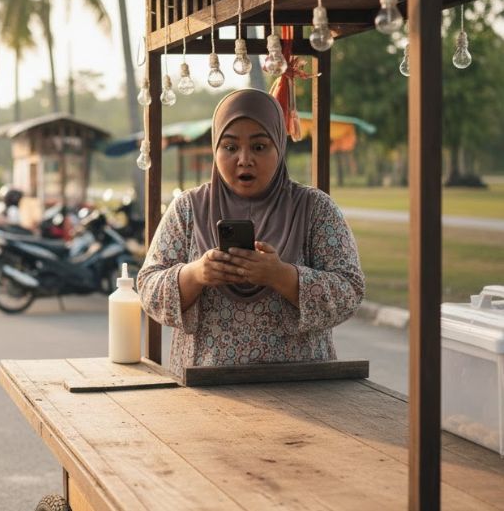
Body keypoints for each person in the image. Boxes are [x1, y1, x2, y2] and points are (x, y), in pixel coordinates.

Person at [137, 89, 364, 379]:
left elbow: (350, 290)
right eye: (230, 147)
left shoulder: (314, 209)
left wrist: (281, 275)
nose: (244, 159)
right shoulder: (188, 209)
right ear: (215, 150)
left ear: (279, 147)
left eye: (259, 147)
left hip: (303, 389)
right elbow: (147, 288)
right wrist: (196, 274)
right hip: (206, 390)